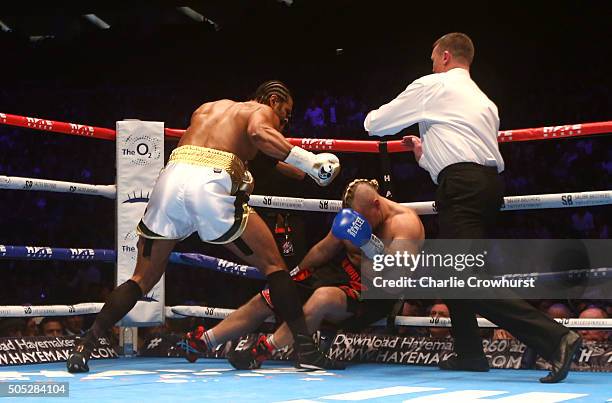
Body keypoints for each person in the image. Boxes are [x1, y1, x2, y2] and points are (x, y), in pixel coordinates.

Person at [67, 80, 342, 373]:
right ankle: (306, 351)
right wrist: (311, 161)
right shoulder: (261, 112)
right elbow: (259, 134)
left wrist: (306, 171)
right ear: (273, 100)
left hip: (170, 178)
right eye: (286, 112)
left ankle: (85, 345)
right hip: (210, 182)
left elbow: (268, 157)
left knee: (142, 278)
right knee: (275, 267)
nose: (285, 121)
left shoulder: (210, 109)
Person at [363, 32, 581, 383]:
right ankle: (469, 353)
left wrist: (372, 116)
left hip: (462, 188)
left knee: (460, 277)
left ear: (446, 57)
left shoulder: (434, 85)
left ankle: (555, 338)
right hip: (483, 185)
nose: (432, 64)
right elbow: (460, 154)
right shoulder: (484, 101)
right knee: (455, 270)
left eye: (434, 58)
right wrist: (425, 154)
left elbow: (377, 124)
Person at [185, 179, 424, 369]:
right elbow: (323, 250)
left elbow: (394, 281)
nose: (360, 223)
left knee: (323, 297)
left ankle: (263, 350)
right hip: (344, 277)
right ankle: (203, 341)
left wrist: (368, 244)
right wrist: (296, 274)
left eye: (363, 218)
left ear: (376, 204)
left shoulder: (404, 225)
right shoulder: (351, 218)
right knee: (275, 295)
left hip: (376, 294)